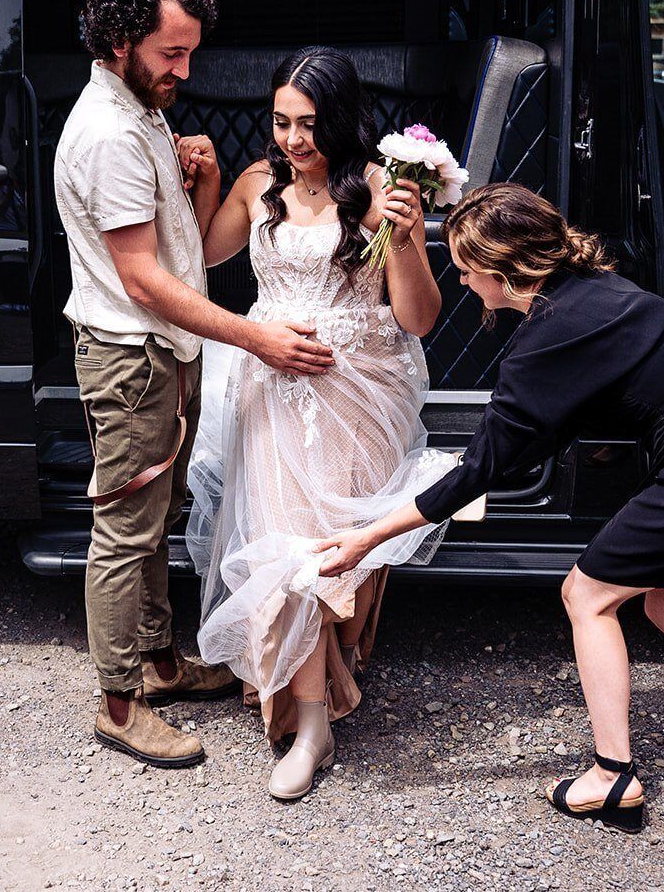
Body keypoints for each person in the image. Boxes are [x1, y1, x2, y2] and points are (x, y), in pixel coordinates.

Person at [315, 183, 664, 831]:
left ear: (500, 272)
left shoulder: (546, 339)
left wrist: (367, 537)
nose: (465, 284)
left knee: (588, 595)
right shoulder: (594, 292)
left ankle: (612, 776)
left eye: (467, 273)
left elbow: (482, 469)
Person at [53, 0, 337, 769]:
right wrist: (256, 338)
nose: (186, 70)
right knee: (125, 528)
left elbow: (181, 251)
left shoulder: (139, 109)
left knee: (156, 520)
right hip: (130, 355)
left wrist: (197, 179)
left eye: (190, 52)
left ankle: (160, 661)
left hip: (162, 352)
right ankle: (119, 704)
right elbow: (143, 280)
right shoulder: (109, 131)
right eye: (172, 54)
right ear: (119, 39)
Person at [184, 46, 459, 800]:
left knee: (336, 554)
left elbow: (420, 318)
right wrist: (208, 181)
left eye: (308, 124)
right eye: (281, 123)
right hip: (271, 385)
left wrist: (404, 235)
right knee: (287, 551)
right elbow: (204, 256)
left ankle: (330, 673)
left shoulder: (380, 188)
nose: (294, 140)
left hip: (358, 391)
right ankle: (313, 725)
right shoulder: (258, 183)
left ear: (340, 119)